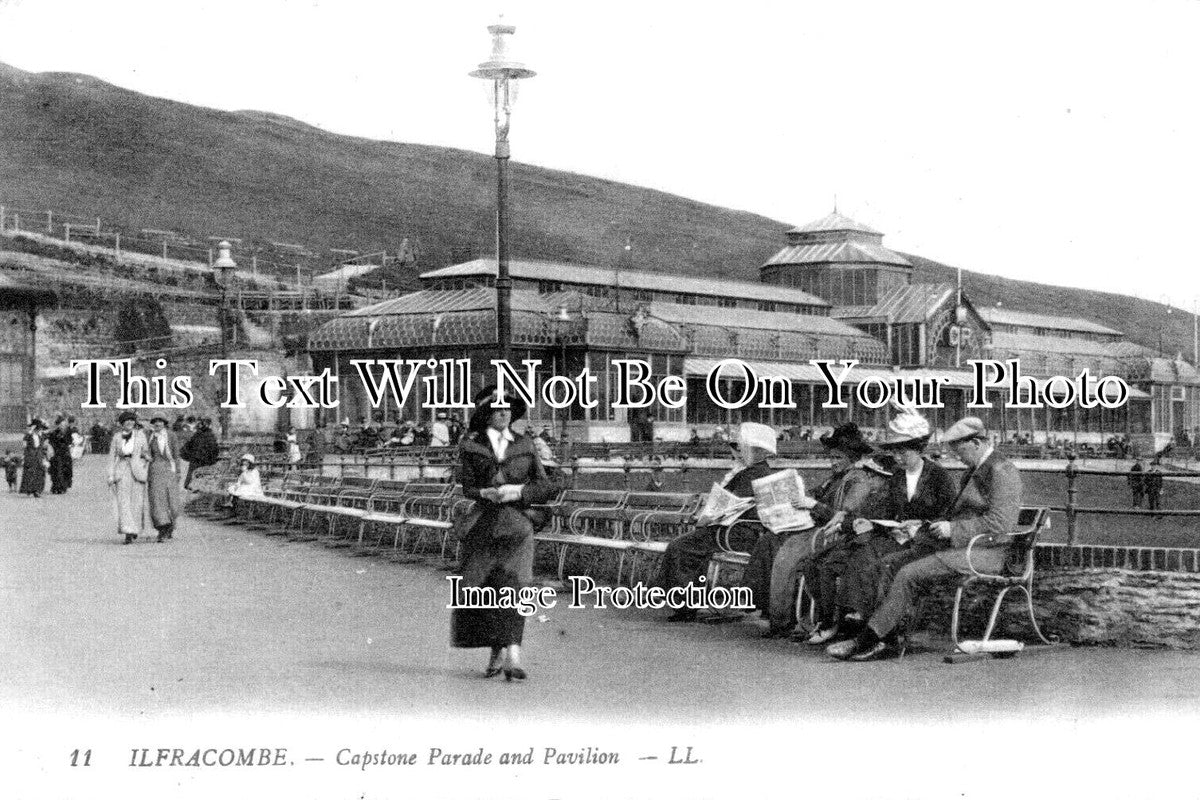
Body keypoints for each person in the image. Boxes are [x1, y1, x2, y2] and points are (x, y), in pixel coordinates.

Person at [828, 416, 1022, 661]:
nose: (957, 457)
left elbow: (1001, 525)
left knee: (908, 574)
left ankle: (868, 640)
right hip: (963, 548)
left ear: (975, 443)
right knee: (888, 565)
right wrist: (927, 526)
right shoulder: (978, 470)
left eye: (958, 450)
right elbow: (962, 515)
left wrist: (952, 529)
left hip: (986, 553)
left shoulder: (1001, 471)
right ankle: (884, 640)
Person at [451, 386, 558, 682]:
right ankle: (496, 652)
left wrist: (520, 491)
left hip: (517, 525)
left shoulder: (525, 444)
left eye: (507, 408)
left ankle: (513, 655)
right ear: (486, 413)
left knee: (516, 587)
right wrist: (483, 492)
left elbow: (546, 486)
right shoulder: (472, 445)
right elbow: (467, 488)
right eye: (497, 409)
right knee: (487, 590)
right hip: (483, 524)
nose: (503, 413)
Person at [825, 409, 957, 643]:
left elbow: (948, 515)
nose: (897, 457)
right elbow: (886, 511)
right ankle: (859, 621)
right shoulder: (896, 477)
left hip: (926, 541)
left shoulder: (939, 477)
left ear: (918, 448)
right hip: (897, 536)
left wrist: (921, 524)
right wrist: (871, 521)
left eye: (903, 451)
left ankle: (877, 632)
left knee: (882, 565)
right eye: (894, 451)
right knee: (862, 556)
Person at [770, 422, 892, 641]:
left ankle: (785, 619)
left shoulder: (857, 479)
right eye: (832, 458)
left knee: (788, 556)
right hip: (817, 527)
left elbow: (843, 514)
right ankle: (778, 613)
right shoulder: (835, 478)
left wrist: (812, 505)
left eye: (838, 458)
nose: (833, 462)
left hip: (828, 533)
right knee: (772, 543)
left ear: (851, 458)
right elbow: (817, 495)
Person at [654, 422, 782, 622]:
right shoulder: (756, 471)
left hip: (736, 532)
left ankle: (684, 604)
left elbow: (733, 504)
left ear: (758, 451)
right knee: (687, 546)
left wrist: (708, 517)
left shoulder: (753, 474)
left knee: (680, 546)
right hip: (734, 530)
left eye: (743, 449)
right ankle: (686, 603)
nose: (739, 454)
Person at [108, 411, 150, 544]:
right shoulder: (117, 437)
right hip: (122, 470)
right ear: (122, 424)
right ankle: (128, 531)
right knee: (123, 502)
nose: (130, 423)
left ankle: (135, 528)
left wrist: (145, 460)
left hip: (137, 471)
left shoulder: (140, 435)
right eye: (127, 421)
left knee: (136, 502)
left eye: (132, 421)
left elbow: (145, 452)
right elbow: (111, 457)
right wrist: (110, 475)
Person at [146, 414, 182, 542]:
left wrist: (178, 471)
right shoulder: (150, 436)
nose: (157, 424)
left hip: (169, 468)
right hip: (155, 470)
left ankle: (170, 526)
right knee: (157, 500)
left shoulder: (171, 436)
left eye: (160, 421)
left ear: (164, 423)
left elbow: (176, 455)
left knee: (171, 500)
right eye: (155, 421)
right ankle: (162, 529)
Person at [180, 418, 220, 491]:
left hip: (196, 457)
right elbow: (214, 448)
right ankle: (197, 486)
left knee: (193, 472)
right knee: (201, 473)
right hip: (204, 458)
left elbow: (188, 445)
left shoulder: (198, 434)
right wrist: (213, 458)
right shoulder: (210, 435)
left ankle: (190, 485)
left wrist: (189, 454)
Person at [19, 419, 50, 498]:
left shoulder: (40, 436)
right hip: (30, 456)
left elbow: (47, 433)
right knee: (30, 473)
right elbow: (24, 446)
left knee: (39, 473)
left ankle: (37, 490)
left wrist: (44, 457)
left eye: (39, 429)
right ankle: (29, 489)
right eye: (38, 429)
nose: (39, 430)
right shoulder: (28, 436)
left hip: (38, 456)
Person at [47, 415, 75, 494]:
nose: (63, 426)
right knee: (57, 470)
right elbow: (51, 442)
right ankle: (57, 487)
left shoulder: (67, 432)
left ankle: (64, 486)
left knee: (66, 470)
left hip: (65, 453)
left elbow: (69, 441)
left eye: (64, 424)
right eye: (61, 424)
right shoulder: (54, 433)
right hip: (57, 454)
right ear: (58, 425)